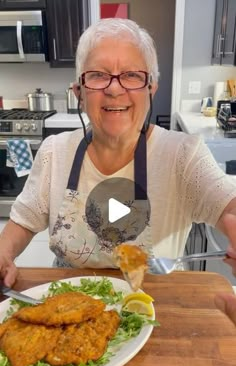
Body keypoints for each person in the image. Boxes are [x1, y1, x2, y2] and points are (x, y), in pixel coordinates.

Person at [0, 18, 236, 293]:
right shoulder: (55, 152)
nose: (114, 88)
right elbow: (23, 221)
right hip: (70, 307)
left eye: (132, 75)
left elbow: (227, 206)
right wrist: (4, 254)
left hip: (155, 310)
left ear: (151, 90)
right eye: (98, 75)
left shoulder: (183, 156)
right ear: (79, 92)